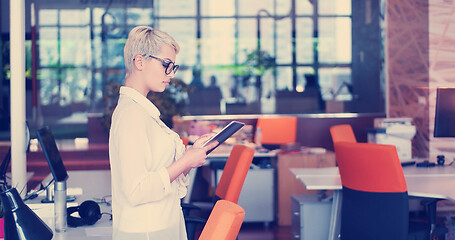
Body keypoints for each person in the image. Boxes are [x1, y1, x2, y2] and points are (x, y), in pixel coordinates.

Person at [109, 26, 217, 240]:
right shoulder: (131, 114)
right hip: (147, 231)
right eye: (166, 64)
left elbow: (161, 171)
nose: (171, 73)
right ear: (139, 62)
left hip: (159, 224)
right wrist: (186, 162)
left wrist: (191, 156)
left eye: (173, 66)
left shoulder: (142, 111)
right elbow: (137, 190)